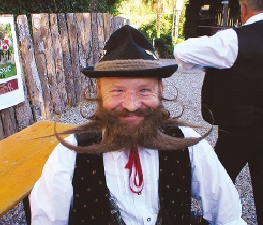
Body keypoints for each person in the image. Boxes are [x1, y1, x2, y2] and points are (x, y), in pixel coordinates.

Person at [31, 25, 246, 225]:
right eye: (117, 91)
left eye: (144, 90)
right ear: (99, 91)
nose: (131, 105)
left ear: (160, 89)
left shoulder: (187, 144)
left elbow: (229, 217)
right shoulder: (69, 155)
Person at [174, 0, 263, 224]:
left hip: (240, 127)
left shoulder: (233, 39)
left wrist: (214, 62)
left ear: (243, 8)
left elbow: (182, 52)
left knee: (218, 180)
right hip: (243, 125)